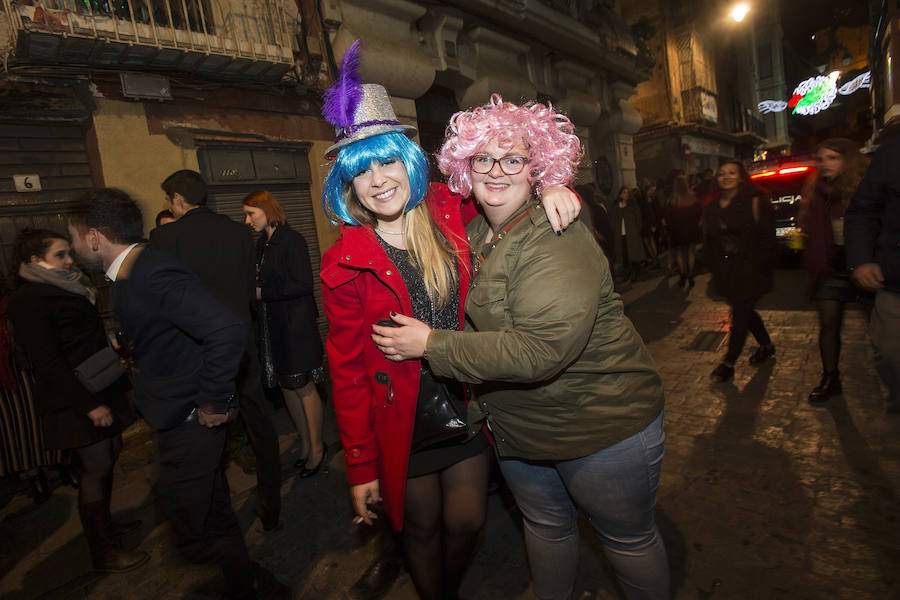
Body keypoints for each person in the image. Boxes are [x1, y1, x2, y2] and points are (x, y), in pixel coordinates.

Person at [374, 95, 669, 600]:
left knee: (627, 542)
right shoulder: (472, 231)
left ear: (537, 167)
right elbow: (401, 197)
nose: (495, 171)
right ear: (466, 167)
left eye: (513, 159)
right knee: (547, 529)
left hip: (600, 428)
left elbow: (539, 351)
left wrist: (431, 345)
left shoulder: (555, 236)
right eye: (483, 158)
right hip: (521, 434)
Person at [318, 39, 580, 600]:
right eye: (361, 171)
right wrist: (360, 464)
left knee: (467, 522)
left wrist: (551, 183)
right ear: (348, 184)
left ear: (408, 161)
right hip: (402, 418)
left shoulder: (448, 209)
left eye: (387, 161)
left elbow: (503, 184)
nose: (378, 180)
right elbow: (347, 372)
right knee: (419, 528)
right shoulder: (344, 262)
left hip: (467, 402)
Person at [67, 188, 290, 599]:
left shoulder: (151, 272)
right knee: (214, 515)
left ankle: (250, 583)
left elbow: (226, 330)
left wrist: (214, 400)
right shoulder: (127, 274)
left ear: (95, 236)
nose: (73, 247)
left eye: (74, 237)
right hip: (173, 415)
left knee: (189, 531)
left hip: (190, 419)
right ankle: (253, 586)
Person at [6, 228, 148, 573]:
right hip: (75, 396)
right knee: (94, 468)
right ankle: (103, 552)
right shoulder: (29, 299)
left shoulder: (66, 284)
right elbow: (47, 361)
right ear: (34, 260)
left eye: (69, 252)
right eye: (60, 255)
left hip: (101, 383)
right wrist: (88, 405)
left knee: (109, 455)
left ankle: (106, 527)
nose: (70, 260)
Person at [150, 169, 282, 531]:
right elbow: (248, 288)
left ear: (178, 199)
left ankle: (218, 518)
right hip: (241, 342)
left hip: (197, 349)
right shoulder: (239, 233)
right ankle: (272, 506)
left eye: (169, 201)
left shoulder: (164, 237)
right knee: (259, 423)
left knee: (207, 434)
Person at [242, 190, 327, 476]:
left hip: (295, 327)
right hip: (273, 326)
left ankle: (318, 448)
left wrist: (262, 292)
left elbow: (302, 284)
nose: (247, 220)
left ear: (267, 210)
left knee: (303, 387)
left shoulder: (292, 240)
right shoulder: (262, 243)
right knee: (286, 387)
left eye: (251, 213)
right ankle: (305, 442)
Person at [799, 139, 870, 403]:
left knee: (880, 327)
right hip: (829, 269)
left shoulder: (864, 187)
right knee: (828, 325)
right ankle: (830, 378)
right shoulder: (814, 191)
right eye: (821, 159)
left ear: (847, 160)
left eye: (833, 158)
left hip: (863, 265)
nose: (825, 164)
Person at [704, 160, 777, 382]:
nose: (726, 177)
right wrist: (714, 269)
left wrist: (760, 264)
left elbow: (768, 238)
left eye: (731, 173)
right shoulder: (712, 206)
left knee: (740, 314)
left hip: (751, 269)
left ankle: (729, 362)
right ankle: (766, 345)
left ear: (740, 177)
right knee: (745, 311)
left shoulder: (755, 200)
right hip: (727, 272)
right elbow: (710, 242)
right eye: (722, 173)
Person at [844, 134, 900, 414]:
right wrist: (862, 261)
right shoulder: (893, 151)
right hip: (895, 277)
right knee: (891, 353)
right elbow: (863, 211)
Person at [664, 174, 703, 288]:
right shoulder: (692, 197)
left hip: (677, 230)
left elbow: (667, 217)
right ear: (686, 185)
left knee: (679, 253)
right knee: (691, 252)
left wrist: (670, 228)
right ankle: (690, 275)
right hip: (691, 228)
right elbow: (699, 212)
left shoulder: (672, 200)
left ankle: (682, 275)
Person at [611, 186, 645, 280]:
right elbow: (613, 221)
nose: (626, 195)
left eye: (627, 193)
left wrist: (637, 230)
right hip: (621, 235)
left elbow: (638, 219)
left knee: (633, 254)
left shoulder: (632, 206)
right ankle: (628, 272)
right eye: (624, 192)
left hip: (632, 234)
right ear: (620, 194)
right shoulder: (616, 207)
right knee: (624, 254)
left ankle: (635, 272)